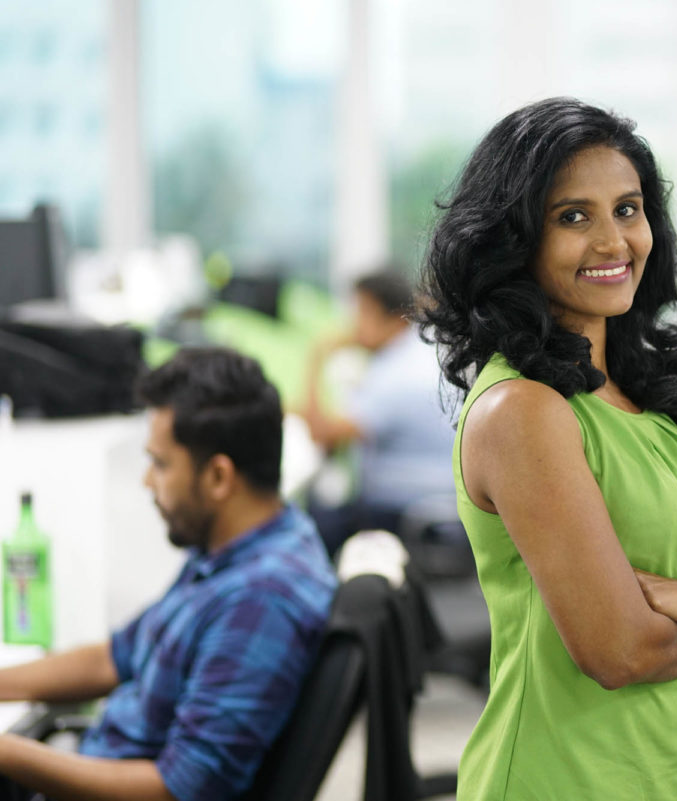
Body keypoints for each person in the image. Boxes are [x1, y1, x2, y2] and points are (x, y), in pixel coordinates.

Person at [422, 97, 677, 799]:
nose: (613, 241)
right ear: (516, 240)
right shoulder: (523, 412)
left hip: (664, 775)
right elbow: (620, 651)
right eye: (574, 217)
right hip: (554, 778)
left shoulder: (654, 388)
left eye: (628, 209)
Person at [0, 347, 337, 801]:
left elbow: (175, 792)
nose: (146, 482)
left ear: (218, 477)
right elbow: (113, 657)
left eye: (160, 464)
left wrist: (7, 753)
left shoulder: (259, 599)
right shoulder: (234, 549)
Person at [302, 268, 456, 556]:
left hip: (406, 507)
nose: (351, 325)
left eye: (359, 311)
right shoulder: (419, 351)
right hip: (440, 497)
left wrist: (317, 356)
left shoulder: (396, 373)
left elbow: (322, 434)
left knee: (312, 517)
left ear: (381, 311)